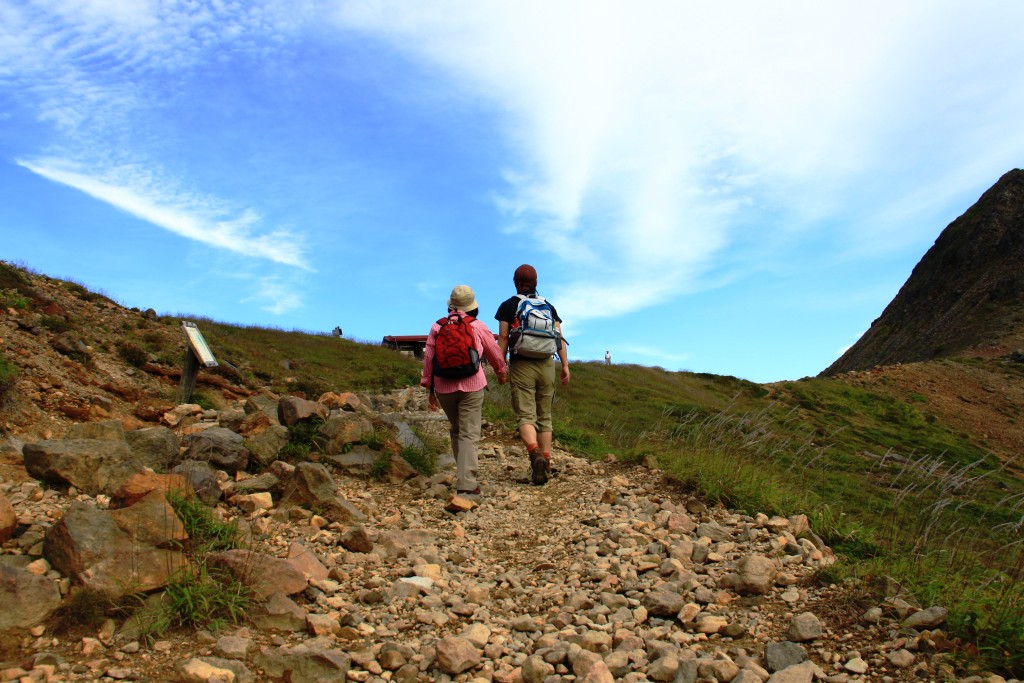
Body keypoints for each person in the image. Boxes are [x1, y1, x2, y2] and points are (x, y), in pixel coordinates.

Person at [421, 285, 507, 500]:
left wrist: (428, 388)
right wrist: (501, 371)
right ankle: (467, 486)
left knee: (457, 430)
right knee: (469, 433)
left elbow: (429, 358)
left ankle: (463, 474)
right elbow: (494, 351)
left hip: (444, 387)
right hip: (472, 384)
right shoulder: (477, 325)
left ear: (451, 305)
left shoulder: (437, 327)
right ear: (471, 305)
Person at [495, 264, 570, 485]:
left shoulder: (508, 306)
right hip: (547, 364)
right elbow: (559, 338)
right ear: (536, 282)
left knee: (526, 416)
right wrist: (565, 366)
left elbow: (503, 338)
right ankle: (545, 464)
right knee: (545, 416)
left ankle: (534, 453)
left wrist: (501, 366)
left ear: (515, 281)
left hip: (521, 364)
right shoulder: (548, 306)